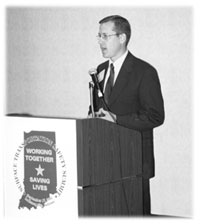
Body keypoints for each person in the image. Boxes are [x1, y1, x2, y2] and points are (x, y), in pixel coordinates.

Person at [88, 15, 165, 215]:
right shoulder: (100, 70)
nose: (100, 41)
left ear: (122, 38)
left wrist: (118, 120)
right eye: (99, 36)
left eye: (105, 36)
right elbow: (99, 109)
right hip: (104, 160)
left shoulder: (144, 71)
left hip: (135, 162)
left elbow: (155, 116)